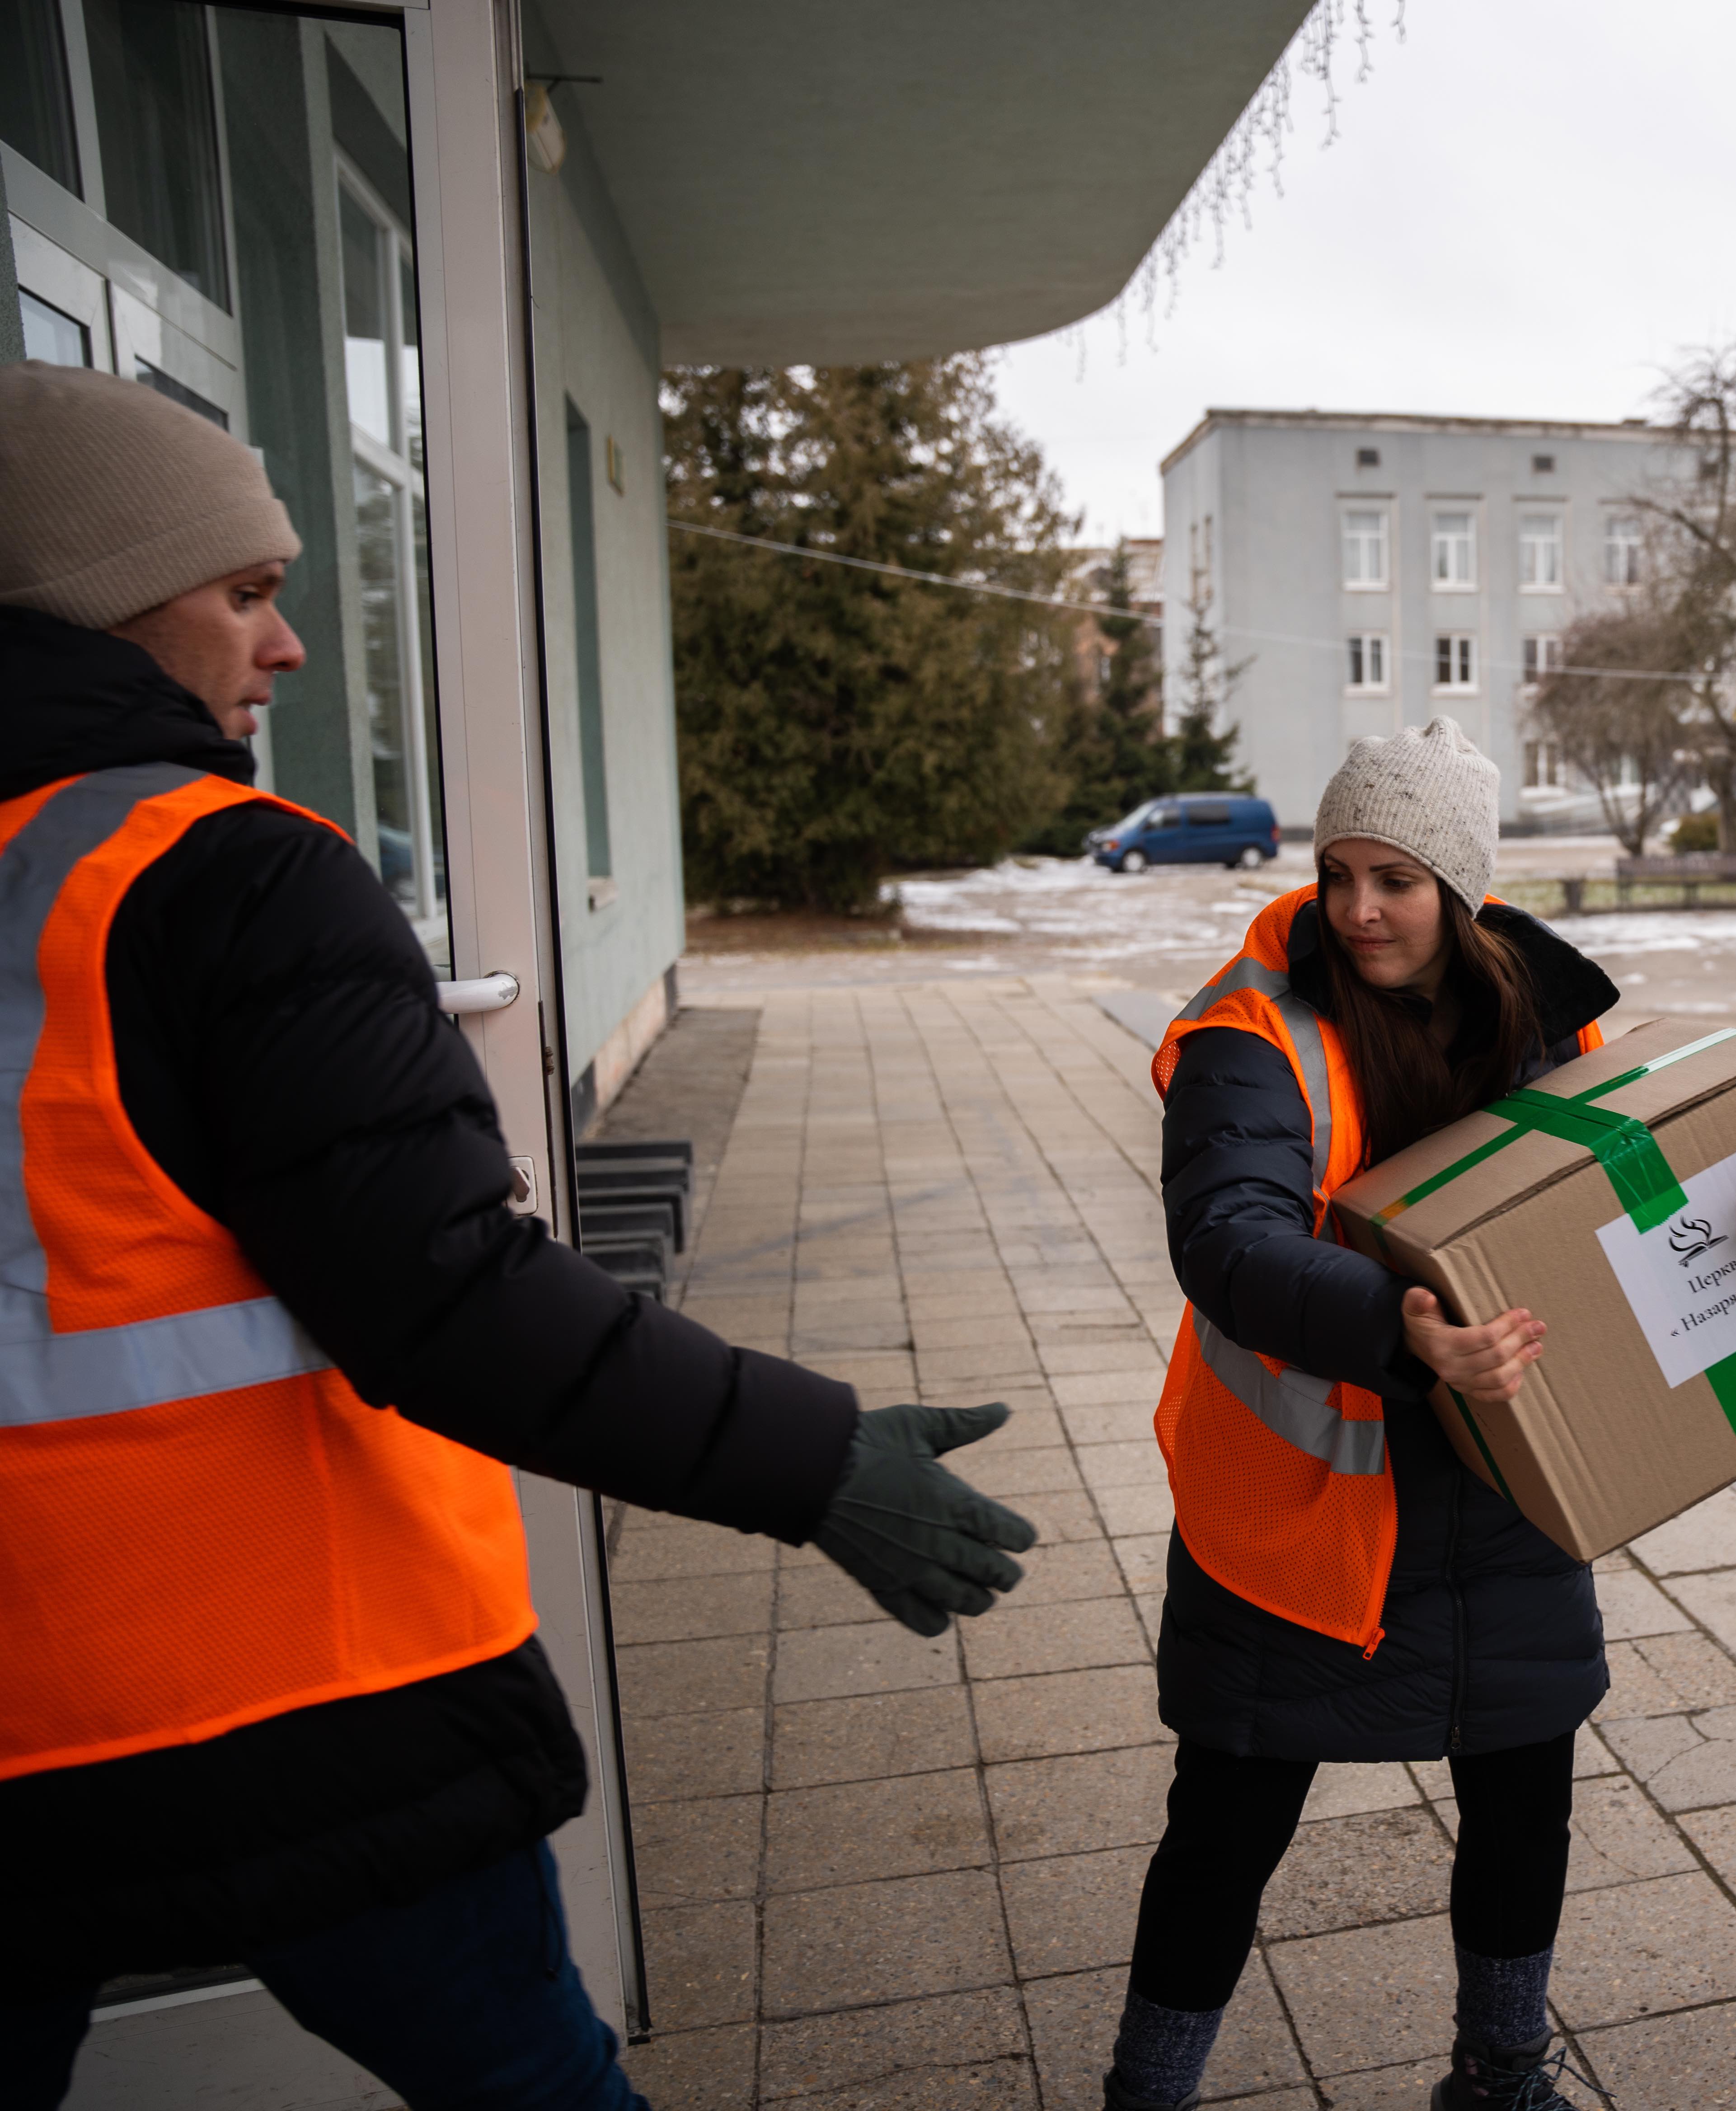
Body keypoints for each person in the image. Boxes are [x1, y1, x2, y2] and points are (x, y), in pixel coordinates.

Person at [0, 362, 1037, 2107]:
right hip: (301, 1689)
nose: (289, 649)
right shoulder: (215, 873)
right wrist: (818, 1456)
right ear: (97, 610)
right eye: (248, 595)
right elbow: (448, 1296)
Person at [1114, 718, 1623, 2111]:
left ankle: (1501, 2075)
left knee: (1526, 1797)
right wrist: (1397, 1324)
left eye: (1394, 880)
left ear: (1460, 888)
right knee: (1227, 1824)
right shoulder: (1253, 1029)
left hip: (1500, 1485)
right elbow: (1228, 1236)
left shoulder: (1543, 1017)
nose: (1357, 911)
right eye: (1339, 874)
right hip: (1298, 1510)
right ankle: (1146, 2094)